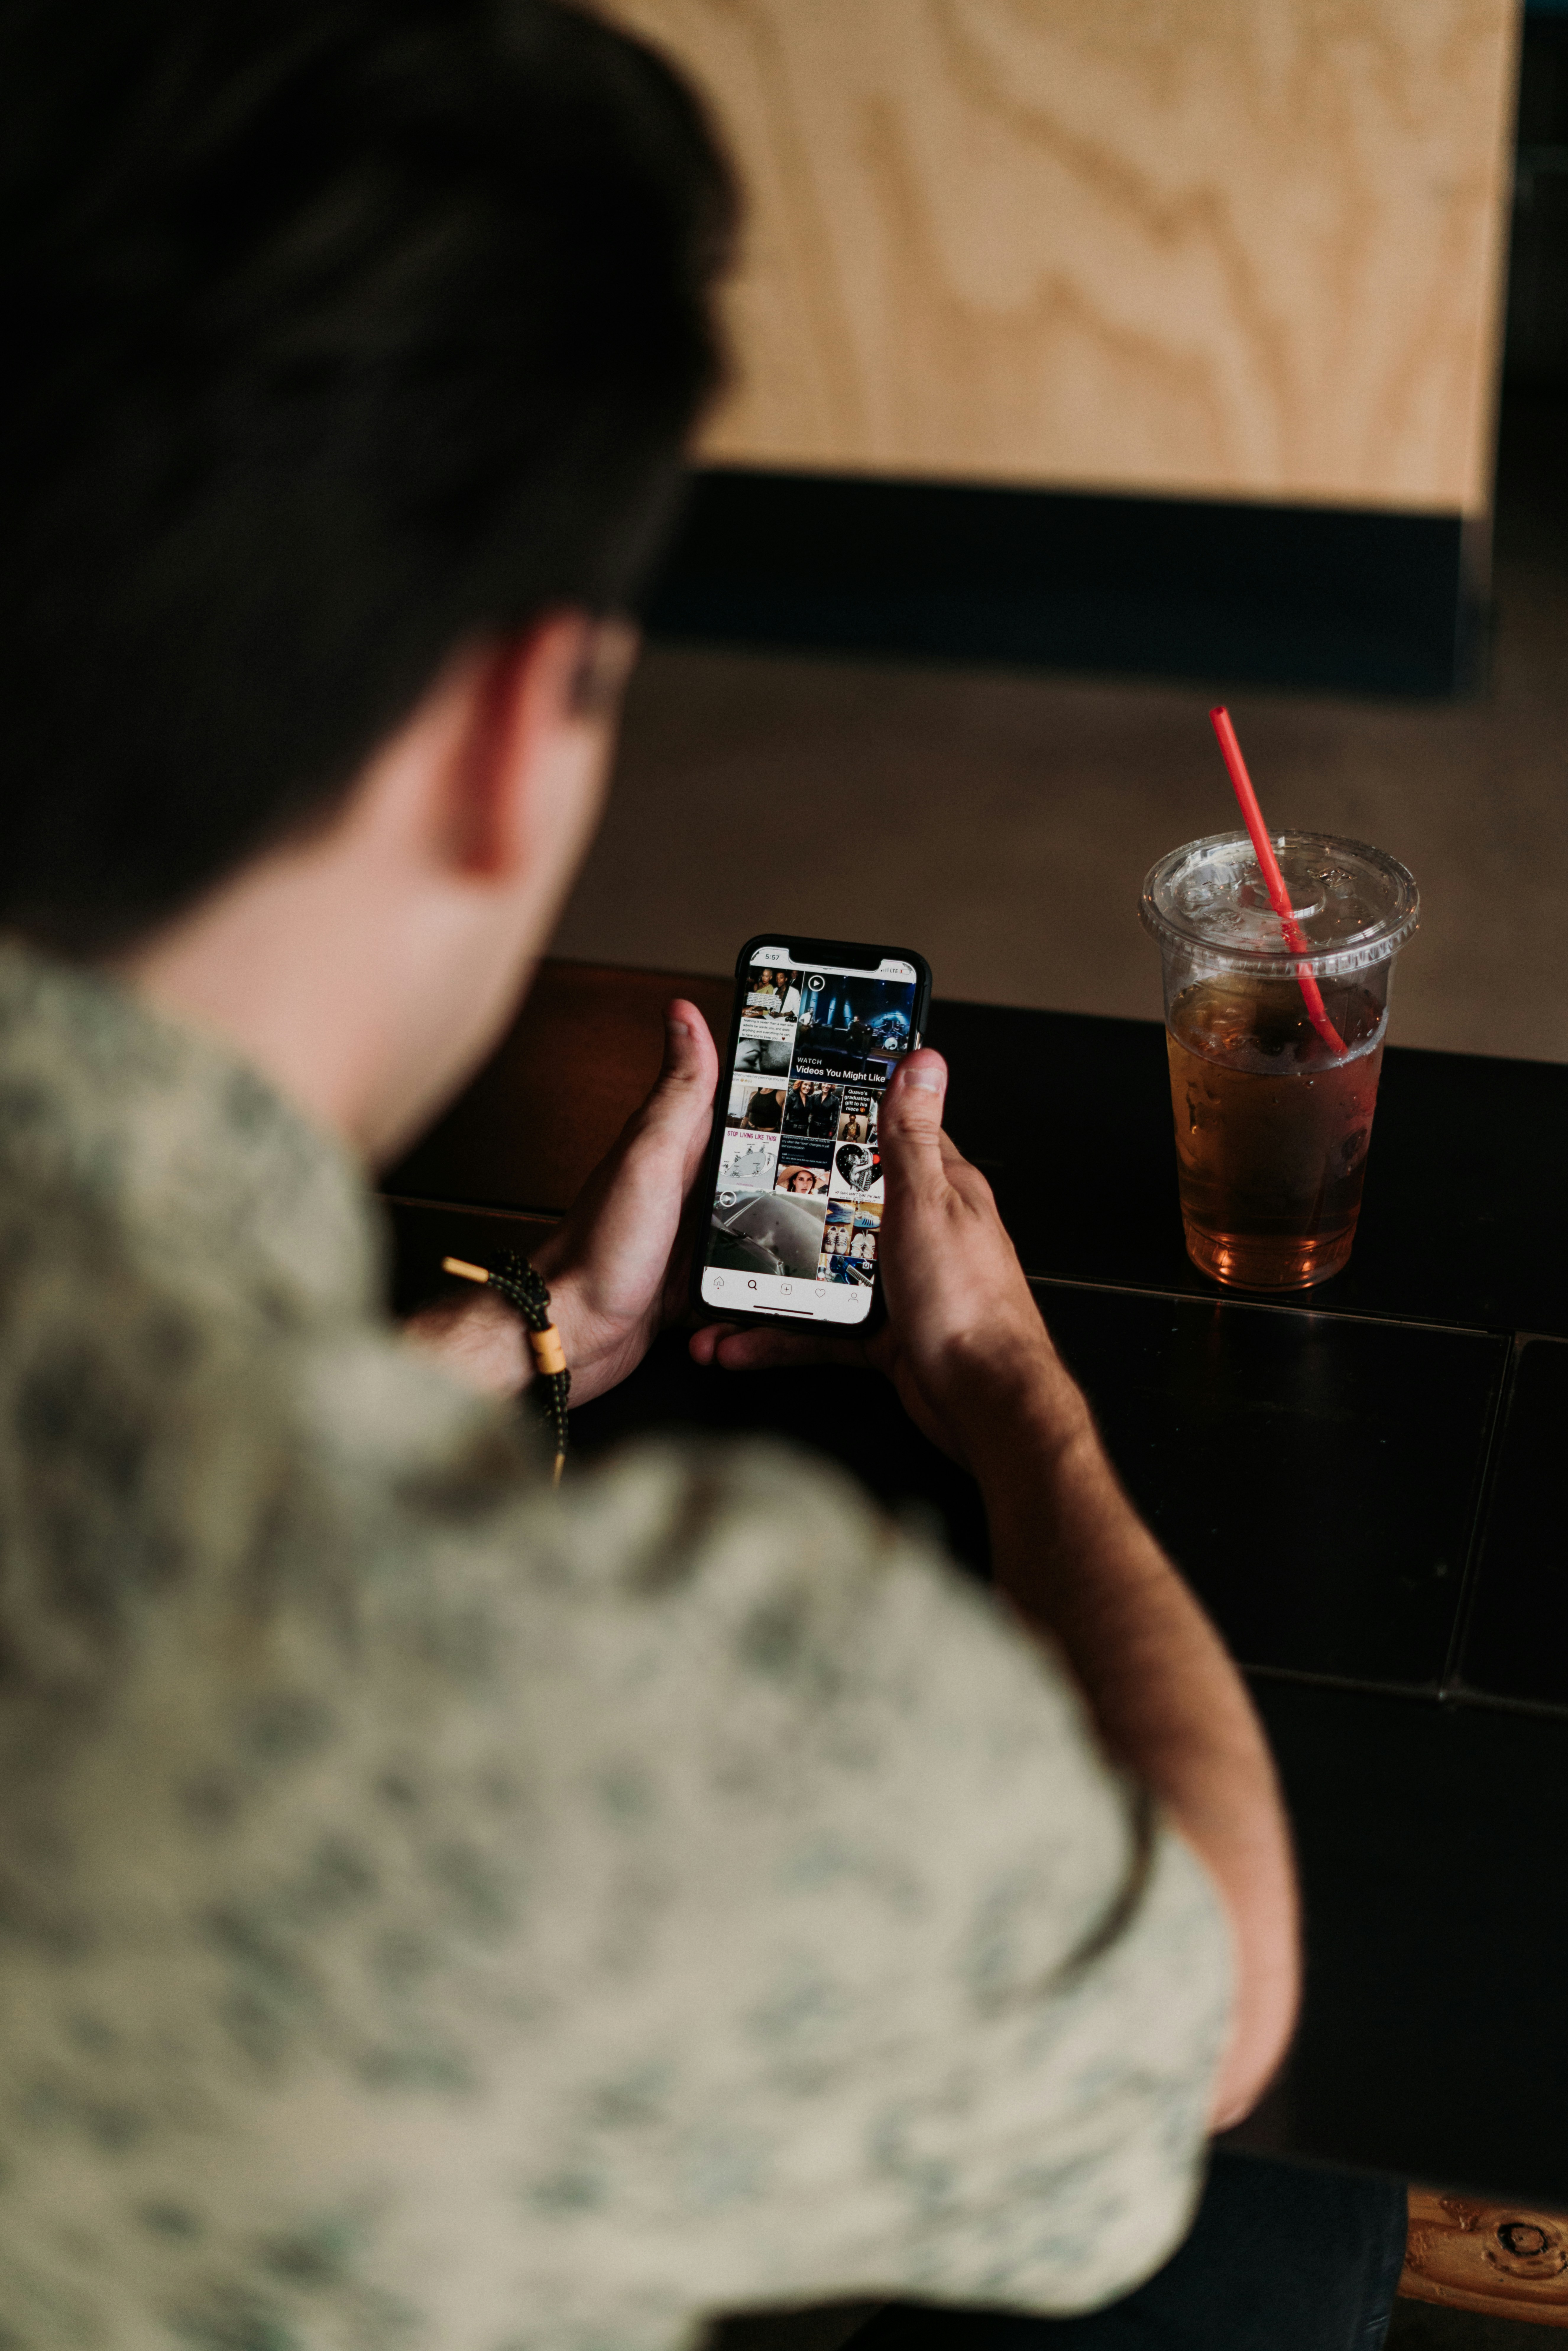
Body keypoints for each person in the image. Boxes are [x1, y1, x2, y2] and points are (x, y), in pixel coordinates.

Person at [0, 4, 1406, 2348]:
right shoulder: (605, 1712)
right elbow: (1211, 2000)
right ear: (502, 727)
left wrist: (547, 1332)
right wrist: (1012, 1389)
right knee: (1281, 2241)